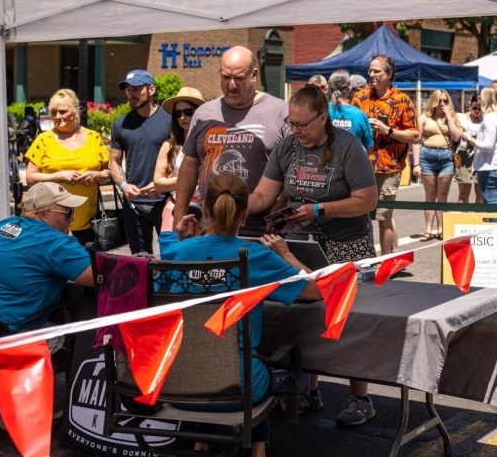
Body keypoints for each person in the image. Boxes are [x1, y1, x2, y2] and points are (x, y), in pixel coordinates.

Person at [163, 174, 319, 457]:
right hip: (238, 388)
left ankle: (201, 443)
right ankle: (257, 448)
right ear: (245, 213)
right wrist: (287, 255)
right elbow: (314, 291)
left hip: (177, 384)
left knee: (204, 350)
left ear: (206, 210)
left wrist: (186, 242)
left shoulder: (175, 251)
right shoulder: (255, 255)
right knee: (258, 362)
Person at [247, 85, 377, 425]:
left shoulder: (348, 146)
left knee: (349, 320)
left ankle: (359, 398)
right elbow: (263, 193)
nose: (296, 130)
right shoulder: (288, 146)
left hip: (346, 244)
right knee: (305, 315)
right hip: (301, 242)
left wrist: (318, 209)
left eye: (303, 124)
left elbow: (367, 200)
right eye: (292, 123)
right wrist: (229, 206)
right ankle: (310, 391)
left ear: (323, 118)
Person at [173, 47, 289, 238]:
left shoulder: (279, 111)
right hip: (209, 230)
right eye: (226, 77)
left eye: (239, 78)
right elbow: (189, 167)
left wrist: (280, 207)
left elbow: (292, 168)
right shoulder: (203, 113)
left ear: (254, 75)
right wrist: (179, 218)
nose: (232, 85)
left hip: (260, 233)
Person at [0, 182, 93, 332]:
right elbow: (98, 275)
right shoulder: (54, 242)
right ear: (42, 215)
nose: (72, 219)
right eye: (68, 212)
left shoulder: (0, 226)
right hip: (22, 329)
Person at [352, 54, 420, 254]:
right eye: (370, 70)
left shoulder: (401, 100)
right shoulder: (360, 97)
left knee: (384, 217)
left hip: (388, 168)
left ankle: (386, 262)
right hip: (361, 167)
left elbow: (415, 135)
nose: (371, 74)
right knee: (359, 216)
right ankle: (364, 259)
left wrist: (387, 130)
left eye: (376, 71)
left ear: (389, 74)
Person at [25, 89, 110, 246]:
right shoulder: (44, 140)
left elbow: (107, 172)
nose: (58, 117)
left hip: (88, 221)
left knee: (88, 266)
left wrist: (94, 175)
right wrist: (59, 176)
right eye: (54, 112)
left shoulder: (94, 137)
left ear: (75, 111)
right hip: (51, 223)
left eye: (63, 112)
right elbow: (30, 178)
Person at [109, 70, 172, 254]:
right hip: (133, 204)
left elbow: (181, 161)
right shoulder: (121, 124)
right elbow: (113, 162)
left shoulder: (170, 122)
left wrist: (164, 184)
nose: (131, 94)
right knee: (140, 261)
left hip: (165, 202)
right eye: (128, 90)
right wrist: (123, 185)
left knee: (172, 257)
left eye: (136, 89)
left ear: (151, 89)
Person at [152, 86, 205, 235]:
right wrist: (188, 178)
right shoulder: (169, 145)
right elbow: (158, 183)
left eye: (188, 112)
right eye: (178, 113)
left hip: (205, 213)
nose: (182, 117)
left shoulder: (211, 142)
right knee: (173, 256)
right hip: (175, 209)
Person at [413, 90, 461, 240]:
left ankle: (441, 229)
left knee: (442, 196)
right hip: (427, 156)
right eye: (439, 101)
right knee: (430, 195)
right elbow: (416, 140)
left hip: (446, 157)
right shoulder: (425, 117)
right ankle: (428, 230)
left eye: (445, 101)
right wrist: (416, 164)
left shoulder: (453, 117)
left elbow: (457, 136)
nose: (442, 104)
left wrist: (448, 117)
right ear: (434, 102)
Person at [461, 88, 497, 204]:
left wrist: (469, 138)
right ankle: (496, 221)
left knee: (490, 200)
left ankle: (494, 222)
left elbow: (488, 146)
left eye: (481, 98)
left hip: (490, 165)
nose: (479, 101)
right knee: (494, 198)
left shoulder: (490, 118)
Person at [326, 70, 374, 151]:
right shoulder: (360, 115)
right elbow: (369, 148)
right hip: (352, 161)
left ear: (329, 87)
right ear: (349, 88)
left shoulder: (320, 110)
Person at [455, 94, 483, 203]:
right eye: (474, 107)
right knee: (463, 193)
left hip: (480, 154)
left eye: (480, 108)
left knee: (480, 193)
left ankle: (479, 218)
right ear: (470, 105)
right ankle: (463, 217)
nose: (477, 111)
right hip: (464, 154)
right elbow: (458, 133)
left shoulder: (486, 119)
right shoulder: (460, 117)